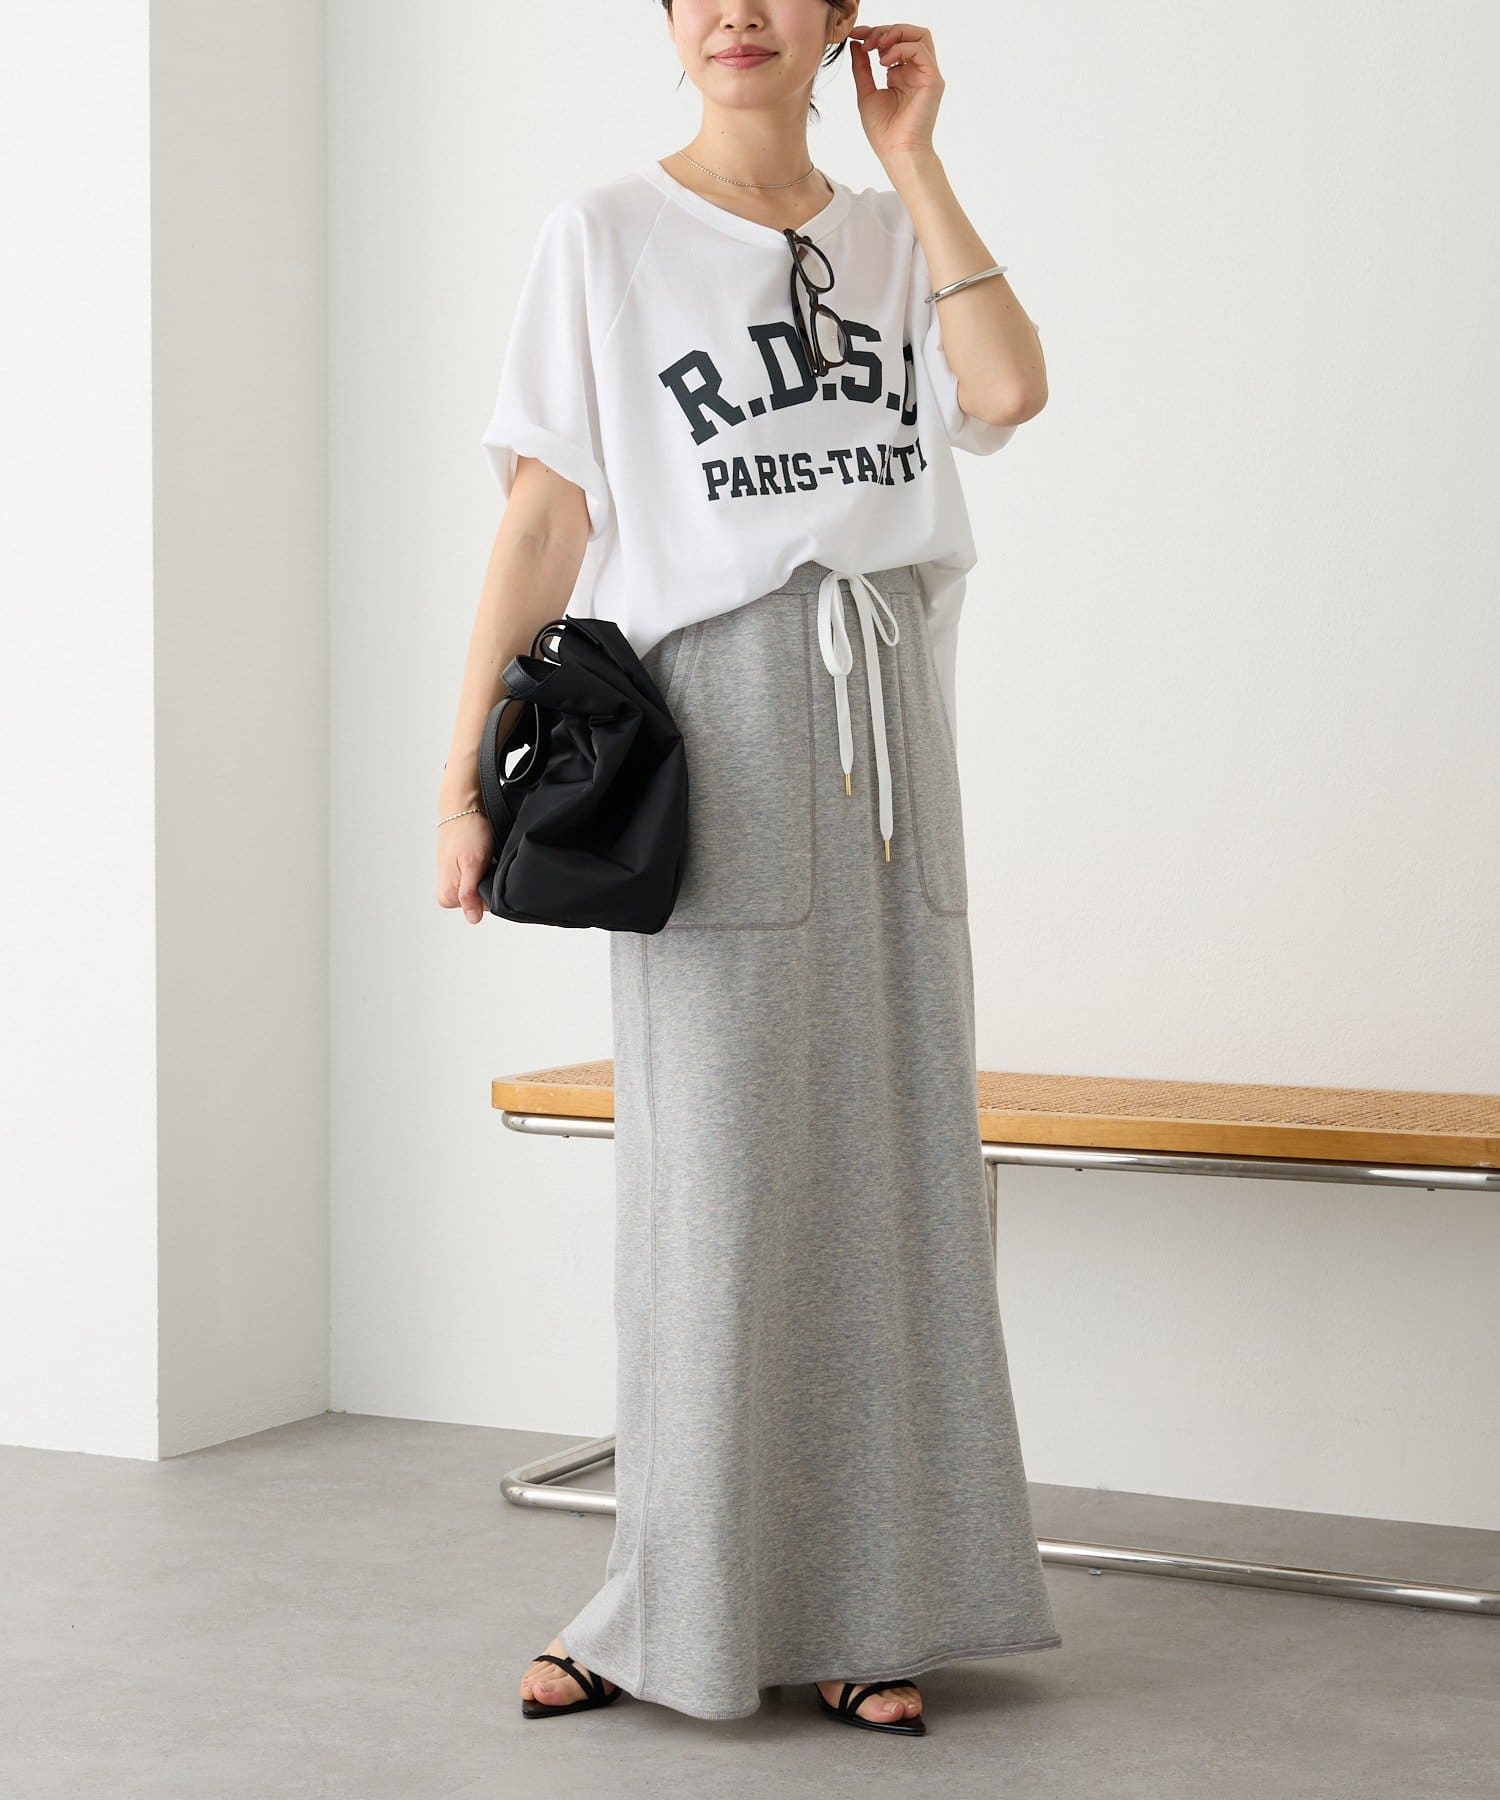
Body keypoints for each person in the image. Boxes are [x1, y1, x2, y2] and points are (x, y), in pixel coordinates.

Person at [436, 1, 1055, 1735]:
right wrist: (464, 775)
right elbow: (544, 517)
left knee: (897, 1167)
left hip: (887, 726)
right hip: (711, 727)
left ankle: (878, 1605)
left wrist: (914, 161)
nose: (738, 13)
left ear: (842, 20)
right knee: (713, 1195)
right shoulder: (605, 235)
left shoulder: (891, 229)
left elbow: (1008, 392)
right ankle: (668, 1604)